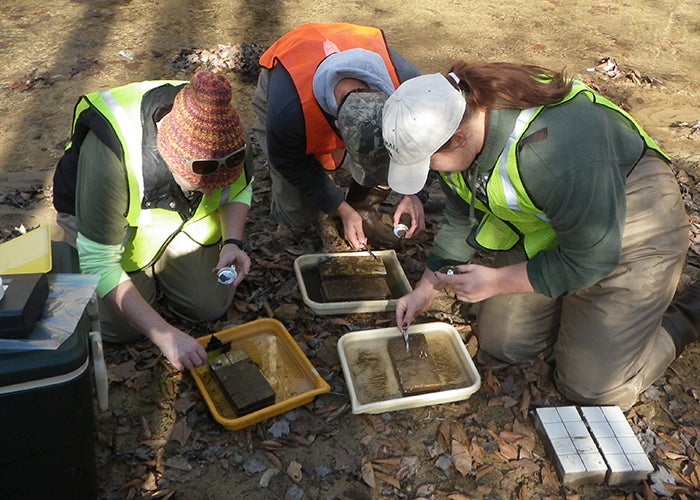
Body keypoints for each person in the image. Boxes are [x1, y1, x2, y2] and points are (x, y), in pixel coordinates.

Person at [382, 63, 699, 410]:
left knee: (590, 387)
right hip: (556, 222)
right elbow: (461, 216)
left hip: (633, 217)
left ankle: (688, 314)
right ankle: (580, 319)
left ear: (457, 139)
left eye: (428, 163)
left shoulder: (549, 153)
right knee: (505, 345)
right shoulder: (460, 123)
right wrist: (425, 289)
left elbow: (591, 258)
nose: (428, 172)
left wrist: (500, 281)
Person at [52, 70, 254, 371]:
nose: (214, 192)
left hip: (175, 216)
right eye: (202, 184)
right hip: (101, 219)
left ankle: (160, 270)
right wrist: (165, 335)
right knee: (122, 330)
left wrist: (232, 242)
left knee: (208, 305)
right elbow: (99, 262)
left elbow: (240, 188)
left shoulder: (226, 136)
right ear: (170, 158)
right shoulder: (111, 156)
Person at [252, 22, 428, 250]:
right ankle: (308, 219)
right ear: (336, 125)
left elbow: (429, 139)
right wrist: (340, 208)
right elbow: (287, 160)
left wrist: (414, 192)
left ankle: (363, 207)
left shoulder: (408, 87)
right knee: (296, 214)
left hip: (340, 50)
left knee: (381, 157)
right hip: (291, 69)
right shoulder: (288, 112)